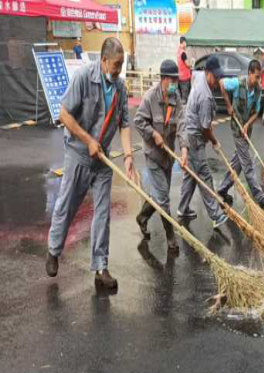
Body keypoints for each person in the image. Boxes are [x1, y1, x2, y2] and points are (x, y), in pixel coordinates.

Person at [46, 37, 135, 290]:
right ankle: (53, 250)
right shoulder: (84, 77)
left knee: (103, 212)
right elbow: (64, 114)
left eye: (122, 64)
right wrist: (88, 141)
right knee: (67, 205)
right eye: (116, 64)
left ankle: (100, 267)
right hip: (79, 154)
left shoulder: (119, 87)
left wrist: (128, 156)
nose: (119, 70)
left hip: (102, 157)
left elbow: (124, 123)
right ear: (104, 60)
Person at [134, 60, 185, 254]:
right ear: (163, 79)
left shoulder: (176, 98)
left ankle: (142, 217)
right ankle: (170, 235)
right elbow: (138, 121)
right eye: (172, 80)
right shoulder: (150, 97)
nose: (175, 84)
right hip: (153, 156)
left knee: (158, 195)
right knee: (163, 198)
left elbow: (182, 124)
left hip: (168, 156)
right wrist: (153, 134)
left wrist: (184, 150)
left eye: (176, 80)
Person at [176, 57, 229, 229]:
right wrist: (214, 142)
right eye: (215, 76)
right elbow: (205, 129)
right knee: (204, 176)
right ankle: (216, 215)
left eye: (218, 76)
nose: (217, 80)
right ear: (207, 73)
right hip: (194, 137)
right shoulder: (205, 96)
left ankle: (182, 209)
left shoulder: (199, 77)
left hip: (191, 130)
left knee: (191, 175)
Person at [217, 60, 264, 209]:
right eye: (256, 76)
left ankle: (222, 189)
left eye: (259, 77)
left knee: (238, 162)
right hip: (237, 128)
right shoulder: (237, 83)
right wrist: (228, 105)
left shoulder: (258, 90)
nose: (258, 80)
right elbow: (221, 83)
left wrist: (247, 124)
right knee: (247, 163)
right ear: (249, 73)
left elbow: (256, 112)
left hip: (247, 130)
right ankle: (259, 196)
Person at [177, 36, 192, 102]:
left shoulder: (178, 51)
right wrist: (192, 64)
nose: (186, 45)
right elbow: (187, 64)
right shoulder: (183, 53)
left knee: (181, 95)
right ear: (183, 43)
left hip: (180, 76)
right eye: (185, 43)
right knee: (185, 97)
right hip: (185, 77)